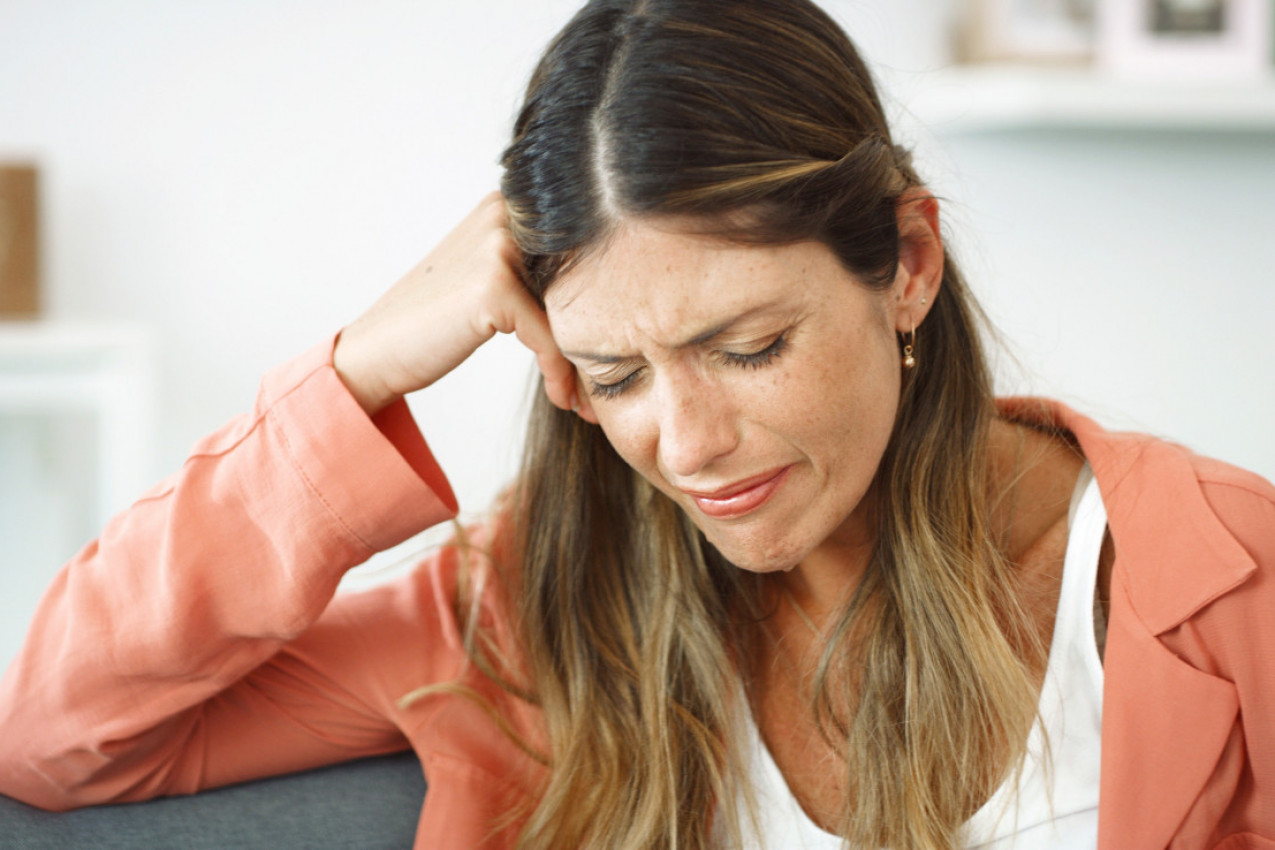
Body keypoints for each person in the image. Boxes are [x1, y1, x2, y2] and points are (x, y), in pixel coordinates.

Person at [1, 0, 1273, 847]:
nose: (688, 442)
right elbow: (56, 737)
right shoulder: (531, 607)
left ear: (910, 262)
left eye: (751, 346)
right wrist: (364, 367)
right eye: (615, 375)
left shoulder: (1225, 587)